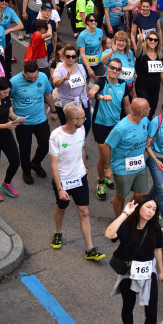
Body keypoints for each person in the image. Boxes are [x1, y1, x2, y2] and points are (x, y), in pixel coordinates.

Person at [49, 103, 105, 261]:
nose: (85, 119)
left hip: (79, 178)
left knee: (84, 212)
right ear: (74, 120)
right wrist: (60, 188)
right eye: (82, 117)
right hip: (63, 181)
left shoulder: (81, 130)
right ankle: (58, 232)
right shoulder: (56, 136)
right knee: (61, 208)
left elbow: (81, 149)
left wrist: (85, 171)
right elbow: (53, 163)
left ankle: (89, 249)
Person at [104, 194, 163, 324]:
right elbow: (109, 234)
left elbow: (157, 249)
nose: (150, 211)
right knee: (128, 306)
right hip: (128, 272)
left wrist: (161, 272)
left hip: (148, 272)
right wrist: (125, 213)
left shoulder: (154, 227)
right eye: (148, 207)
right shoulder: (126, 226)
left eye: (154, 209)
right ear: (139, 207)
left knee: (152, 313)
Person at [88, 57, 130, 200]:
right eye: (112, 67)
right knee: (104, 154)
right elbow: (91, 92)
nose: (114, 70)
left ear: (120, 71)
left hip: (115, 125)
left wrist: (131, 123)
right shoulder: (102, 81)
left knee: (108, 154)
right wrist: (101, 97)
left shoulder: (123, 85)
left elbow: (127, 106)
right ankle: (101, 181)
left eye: (117, 69)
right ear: (107, 68)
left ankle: (106, 176)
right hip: (100, 124)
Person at [10, 61, 58, 185]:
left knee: (45, 145)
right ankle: (26, 171)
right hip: (23, 123)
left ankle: (35, 163)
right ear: (24, 73)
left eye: (35, 77)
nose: (33, 80)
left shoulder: (42, 77)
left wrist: (53, 110)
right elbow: (4, 99)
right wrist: (11, 117)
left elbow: (47, 94)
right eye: (30, 78)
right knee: (25, 150)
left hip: (40, 119)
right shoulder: (14, 82)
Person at [103, 98, 151, 218]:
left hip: (140, 166)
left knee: (141, 195)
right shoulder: (121, 128)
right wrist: (107, 168)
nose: (150, 109)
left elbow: (150, 131)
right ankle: (119, 220)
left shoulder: (145, 120)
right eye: (147, 107)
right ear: (141, 112)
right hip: (122, 168)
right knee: (121, 196)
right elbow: (107, 146)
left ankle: (129, 214)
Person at [51, 43, 91, 134]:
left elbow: (84, 84)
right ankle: (69, 146)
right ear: (64, 56)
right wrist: (64, 78)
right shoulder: (59, 69)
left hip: (82, 100)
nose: (70, 59)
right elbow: (55, 83)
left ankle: (79, 143)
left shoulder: (80, 67)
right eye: (68, 56)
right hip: (66, 103)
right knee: (70, 128)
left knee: (87, 124)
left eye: (73, 56)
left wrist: (89, 98)